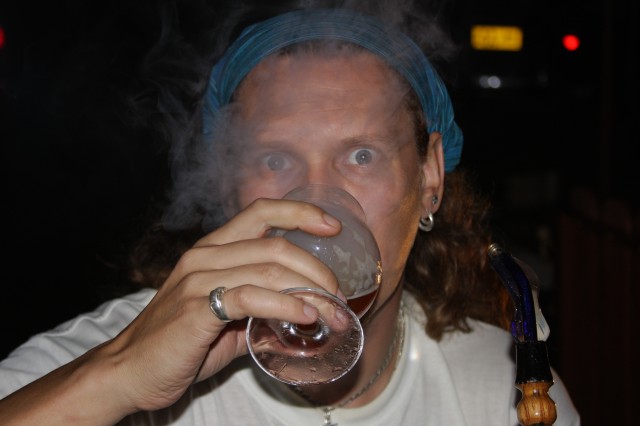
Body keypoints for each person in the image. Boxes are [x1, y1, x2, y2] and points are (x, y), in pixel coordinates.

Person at [0, 2, 580, 425]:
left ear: (429, 177)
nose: (314, 204)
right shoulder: (116, 353)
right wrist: (120, 376)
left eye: (361, 155)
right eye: (275, 159)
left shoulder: (505, 389)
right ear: (228, 187)